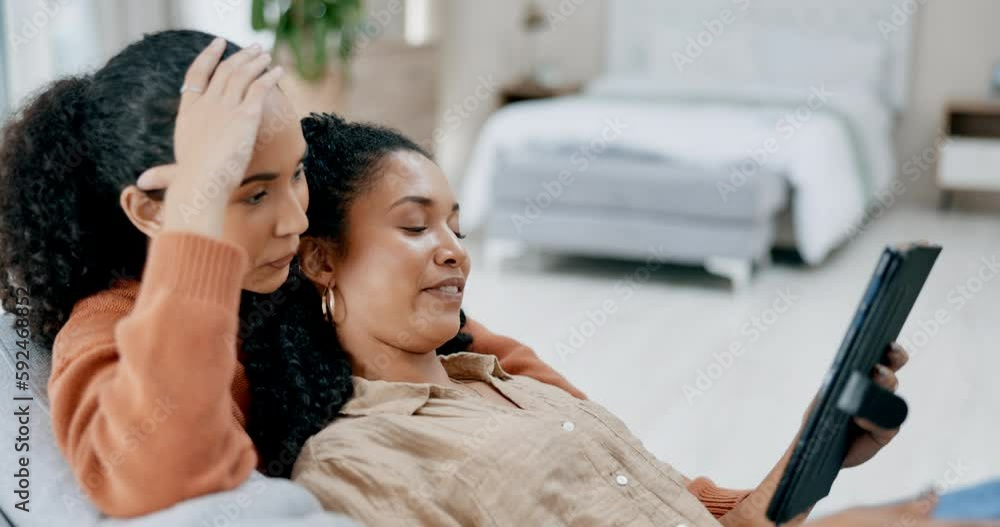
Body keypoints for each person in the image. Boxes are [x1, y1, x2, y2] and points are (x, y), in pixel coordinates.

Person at [284, 115, 993, 526]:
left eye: (459, 227)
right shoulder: (353, 458)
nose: (452, 252)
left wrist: (817, 452)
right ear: (321, 259)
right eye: (415, 226)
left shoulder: (511, 381)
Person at [0, 31, 582, 518]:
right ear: (153, 210)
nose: (296, 217)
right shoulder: (108, 326)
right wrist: (196, 225)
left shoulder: (293, 267)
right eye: (252, 194)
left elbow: (485, 352)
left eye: (295, 173)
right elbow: (159, 473)